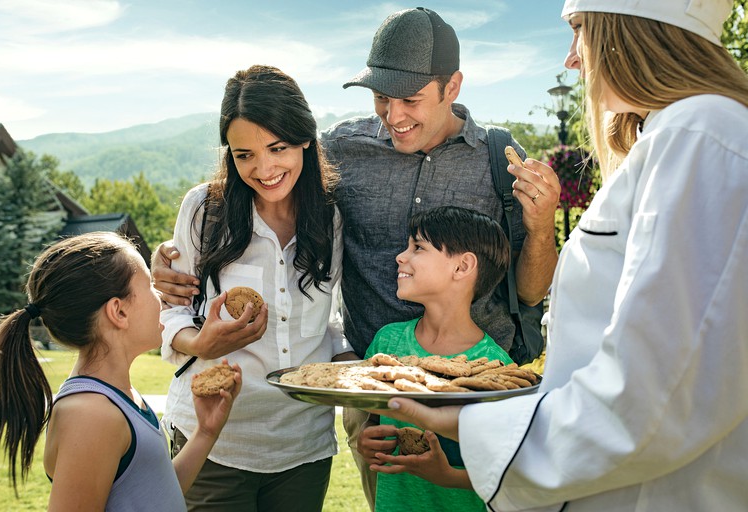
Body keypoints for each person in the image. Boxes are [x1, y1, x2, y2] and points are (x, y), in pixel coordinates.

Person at [151, 10, 560, 508]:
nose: (393, 115)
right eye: (382, 98)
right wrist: (172, 267)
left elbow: (531, 291)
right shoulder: (341, 150)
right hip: (371, 391)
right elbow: (263, 169)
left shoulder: (499, 157)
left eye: (410, 99)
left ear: (452, 85)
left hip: (475, 390)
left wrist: (541, 228)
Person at [373, 0, 748, 510]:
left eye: (579, 31)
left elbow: (652, 402)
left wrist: (470, 419)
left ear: (632, 33)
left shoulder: (700, 135)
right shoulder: (677, 135)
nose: (572, 59)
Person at [159, 64, 348, 511]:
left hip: (303, 445)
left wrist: (358, 372)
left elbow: (330, 318)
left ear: (305, 138)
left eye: (277, 147)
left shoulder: (330, 217)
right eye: (244, 155)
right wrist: (199, 341)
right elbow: (173, 309)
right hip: (214, 442)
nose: (263, 168)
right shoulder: (204, 209)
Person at [0, 232, 241, 511]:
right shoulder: (90, 416)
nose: (162, 300)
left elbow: (155, 495)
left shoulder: (118, 397)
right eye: (151, 288)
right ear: (119, 312)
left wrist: (205, 432)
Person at [357, 206, 513, 512]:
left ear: (462, 267)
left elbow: (507, 469)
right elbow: (373, 419)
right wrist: (367, 441)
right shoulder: (386, 342)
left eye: (418, 247)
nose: (401, 256)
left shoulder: (496, 368)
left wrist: (447, 476)